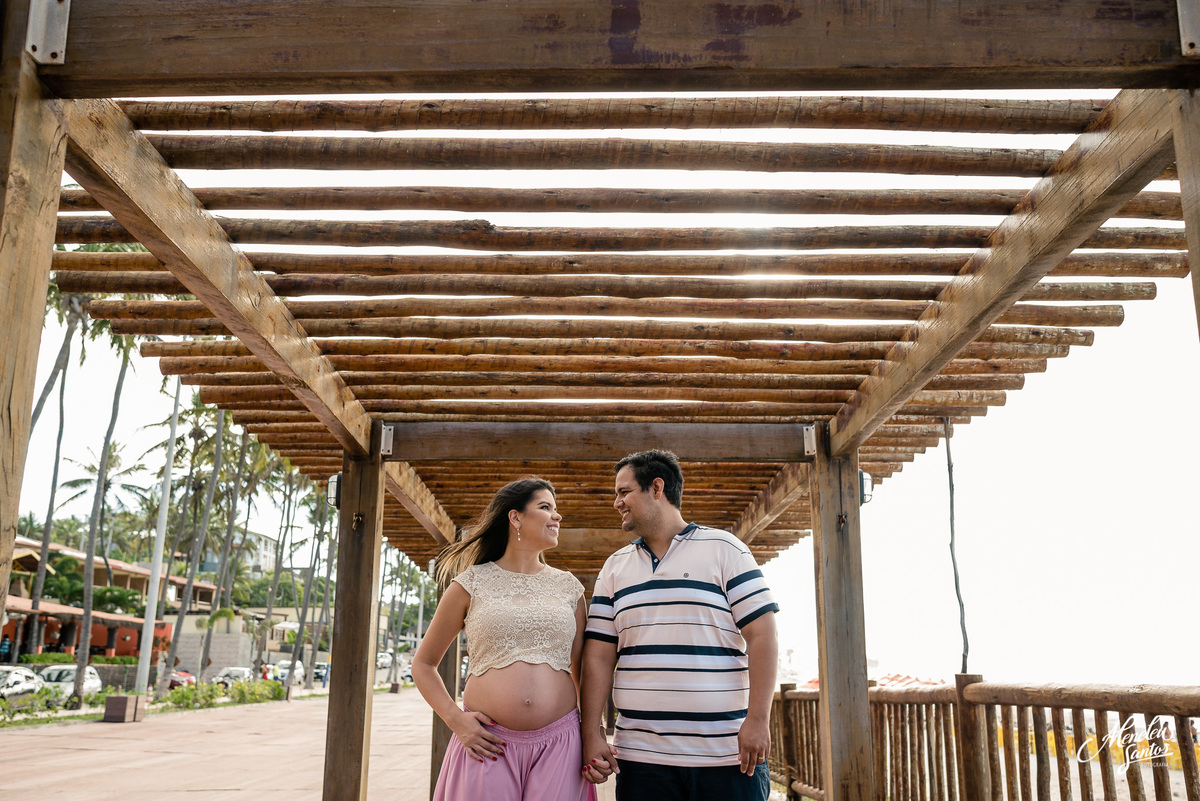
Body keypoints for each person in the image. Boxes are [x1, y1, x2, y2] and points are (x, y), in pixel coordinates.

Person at [581, 449, 780, 801]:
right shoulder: (614, 567)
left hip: (727, 756)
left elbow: (763, 634)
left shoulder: (726, 549)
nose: (616, 503)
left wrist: (759, 719)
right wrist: (591, 732)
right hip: (641, 761)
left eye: (624, 492)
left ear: (656, 488)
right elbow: (597, 657)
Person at [413, 477, 599, 801]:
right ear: (515, 517)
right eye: (545, 507)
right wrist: (456, 721)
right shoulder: (470, 583)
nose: (557, 516)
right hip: (486, 743)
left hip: (561, 744)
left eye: (556, 509)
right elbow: (423, 664)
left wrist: (591, 738)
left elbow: (581, 671)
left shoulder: (570, 589)